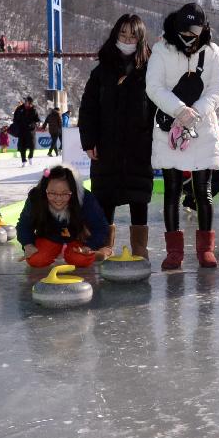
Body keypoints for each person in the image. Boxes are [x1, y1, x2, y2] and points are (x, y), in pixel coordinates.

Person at [146, 2, 219, 269]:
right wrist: (179, 110)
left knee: (203, 189)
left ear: (203, 29)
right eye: (184, 31)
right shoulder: (161, 49)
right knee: (171, 190)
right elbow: (154, 86)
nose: (188, 37)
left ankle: (206, 249)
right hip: (170, 127)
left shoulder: (212, 51)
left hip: (201, 127)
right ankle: (174, 252)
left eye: (194, 31)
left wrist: (197, 111)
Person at [79, 13, 154, 259]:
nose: (127, 39)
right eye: (123, 34)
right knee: (104, 197)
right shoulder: (100, 72)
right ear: (115, 35)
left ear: (140, 38)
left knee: (139, 197)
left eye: (133, 35)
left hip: (139, 147)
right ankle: (104, 245)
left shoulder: (151, 71)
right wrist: (89, 141)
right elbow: (87, 109)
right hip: (106, 147)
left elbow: (158, 108)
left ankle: (139, 248)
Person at [17, 165, 112, 268]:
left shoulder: (85, 198)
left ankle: (101, 252)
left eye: (65, 194)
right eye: (52, 193)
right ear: (44, 190)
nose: (58, 199)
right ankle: (57, 251)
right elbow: (23, 225)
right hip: (49, 236)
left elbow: (101, 227)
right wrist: (28, 245)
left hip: (77, 238)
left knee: (81, 260)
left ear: (73, 191)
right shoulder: (36, 198)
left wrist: (89, 246)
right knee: (35, 260)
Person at [13, 96, 40, 167]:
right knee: (22, 146)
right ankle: (23, 160)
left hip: (31, 131)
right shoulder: (19, 109)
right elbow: (15, 118)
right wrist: (16, 125)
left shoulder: (34, 110)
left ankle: (30, 156)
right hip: (21, 130)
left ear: (30, 103)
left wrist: (34, 124)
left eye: (27, 101)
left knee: (32, 145)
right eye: (25, 101)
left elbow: (37, 120)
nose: (25, 103)